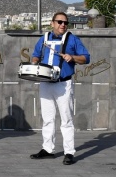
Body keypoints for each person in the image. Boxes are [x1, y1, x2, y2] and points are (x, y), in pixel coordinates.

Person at [29, 12, 90, 165]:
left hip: (63, 83)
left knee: (66, 119)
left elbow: (86, 57)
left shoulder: (72, 39)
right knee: (47, 118)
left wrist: (73, 57)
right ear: (52, 23)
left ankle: (69, 152)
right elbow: (35, 55)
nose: (63, 25)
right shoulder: (44, 39)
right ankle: (47, 149)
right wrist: (35, 62)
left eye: (65, 23)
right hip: (45, 82)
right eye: (59, 22)